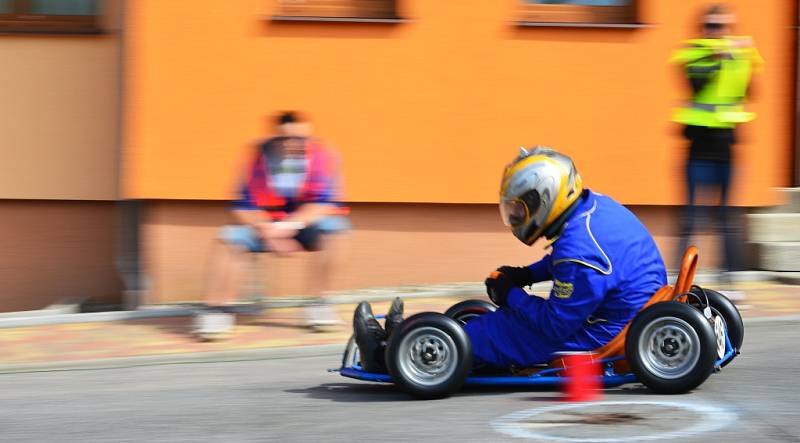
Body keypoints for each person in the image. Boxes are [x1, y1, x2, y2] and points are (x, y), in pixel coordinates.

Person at [353, 147, 666, 371]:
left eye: (519, 209)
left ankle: (383, 357)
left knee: (498, 330)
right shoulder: (592, 208)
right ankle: (405, 333)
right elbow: (565, 264)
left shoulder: (579, 252)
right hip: (625, 311)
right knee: (496, 320)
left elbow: (553, 325)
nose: (516, 217)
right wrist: (524, 276)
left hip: (602, 335)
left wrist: (511, 294)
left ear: (544, 199)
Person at [194, 111, 350, 339]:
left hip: (303, 226)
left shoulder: (323, 157)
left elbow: (324, 204)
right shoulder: (257, 159)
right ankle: (216, 309)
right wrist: (269, 233)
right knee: (227, 238)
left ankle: (319, 303)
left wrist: (287, 228)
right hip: (263, 227)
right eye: (286, 138)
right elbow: (242, 206)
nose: (293, 144)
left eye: (300, 138)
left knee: (338, 230)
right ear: (275, 138)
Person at [671, 4, 763, 281]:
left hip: (726, 147)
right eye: (711, 26)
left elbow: (749, 91)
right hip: (697, 148)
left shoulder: (740, 56)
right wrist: (718, 57)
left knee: (728, 217)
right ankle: (679, 278)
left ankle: (731, 276)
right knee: (691, 217)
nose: (717, 32)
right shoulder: (693, 54)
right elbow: (694, 84)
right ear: (702, 28)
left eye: (722, 27)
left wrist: (738, 59)